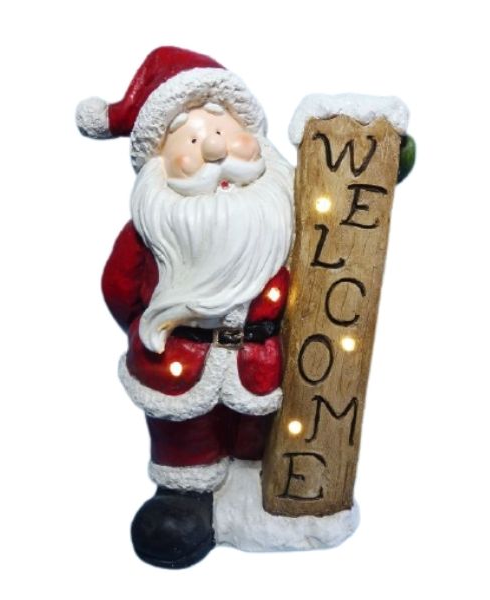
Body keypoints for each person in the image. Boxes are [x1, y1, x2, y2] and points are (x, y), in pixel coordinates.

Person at [76, 46, 294, 569]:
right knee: (184, 436)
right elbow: (119, 291)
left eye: (222, 131)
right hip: (178, 362)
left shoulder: (282, 213)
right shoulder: (154, 231)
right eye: (192, 140)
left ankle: (259, 487)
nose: (215, 149)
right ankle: (186, 496)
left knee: (258, 437)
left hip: (260, 363)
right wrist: (157, 330)